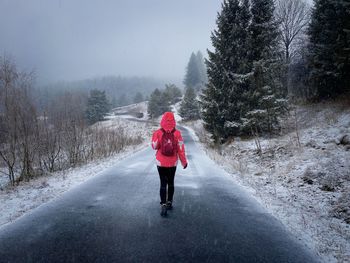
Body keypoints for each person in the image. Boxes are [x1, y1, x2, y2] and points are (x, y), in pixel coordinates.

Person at [151, 112, 188, 216]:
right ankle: (169, 202)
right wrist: (184, 162)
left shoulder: (157, 132)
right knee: (171, 182)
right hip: (172, 163)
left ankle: (163, 204)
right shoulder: (177, 133)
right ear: (173, 121)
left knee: (163, 183)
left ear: (162, 120)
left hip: (160, 162)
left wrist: (159, 139)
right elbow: (181, 149)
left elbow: (154, 146)